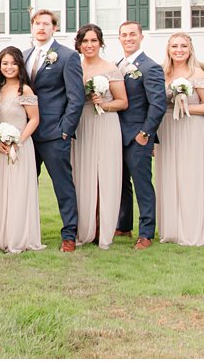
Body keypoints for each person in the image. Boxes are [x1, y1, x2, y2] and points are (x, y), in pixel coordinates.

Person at [26, 9, 84, 251]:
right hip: (27, 133)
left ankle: (69, 234)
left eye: (46, 24)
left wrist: (65, 130)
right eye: (37, 23)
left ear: (54, 28)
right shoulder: (24, 55)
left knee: (62, 185)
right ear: (32, 27)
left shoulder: (67, 56)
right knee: (26, 184)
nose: (41, 28)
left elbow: (76, 98)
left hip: (54, 133)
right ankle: (26, 232)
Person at [155, 31, 204, 246]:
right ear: (168, 49)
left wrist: (186, 106)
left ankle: (192, 230)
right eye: (174, 46)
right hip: (167, 128)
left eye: (183, 46)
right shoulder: (162, 73)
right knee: (169, 175)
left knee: (190, 177)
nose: (179, 50)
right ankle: (171, 229)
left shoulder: (197, 74)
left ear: (190, 49)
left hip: (191, 128)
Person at [71, 24, 128, 249]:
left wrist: (104, 103)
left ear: (100, 43)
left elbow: (123, 101)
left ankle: (103, 228)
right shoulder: (74, 67)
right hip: (82, 123)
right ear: (79, 44)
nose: (89, 45)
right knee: (82, 175)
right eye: (85, 41)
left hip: (105, 122)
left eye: (93, 41)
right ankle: (85, 227)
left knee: (104, 175)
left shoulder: (110, 68)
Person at [0, 46, 44, 253]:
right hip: (0, 147)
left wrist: (17, 141)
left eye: (13, 63)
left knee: (18, 190)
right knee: (1, 189)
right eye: (5, 63)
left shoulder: (24, 89)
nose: (9, 67)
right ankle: (1, 234)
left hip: (20, 146)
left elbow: (35, 118)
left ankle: (19, 236)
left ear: (19, 65)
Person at [114, 20, 166, 250]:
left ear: (141, 37)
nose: (128, 38)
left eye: (132, 34)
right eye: (124, 35)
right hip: (116, 135)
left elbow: (158, 104)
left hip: (138, 135)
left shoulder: (150, 67)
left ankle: (146, 232)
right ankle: (123, 225)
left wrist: (146, 133)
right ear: (119, 38)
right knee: (120, 183)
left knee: (143, 184)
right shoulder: (116, 66)